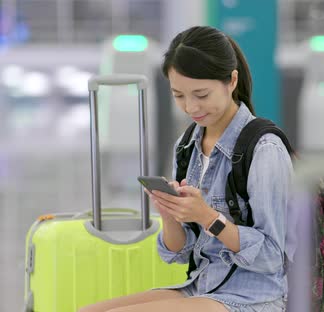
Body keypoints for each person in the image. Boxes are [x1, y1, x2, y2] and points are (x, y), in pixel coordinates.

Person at [80, 25, 293, 312]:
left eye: (201, 94)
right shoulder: (187, 144)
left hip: (254, 298)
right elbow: (179, 253)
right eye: (179, 95)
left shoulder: (264, 149)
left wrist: (207, 217)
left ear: (231, 81)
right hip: (201, 286)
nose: (191, 107)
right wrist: (170, 214)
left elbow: (272, 257)